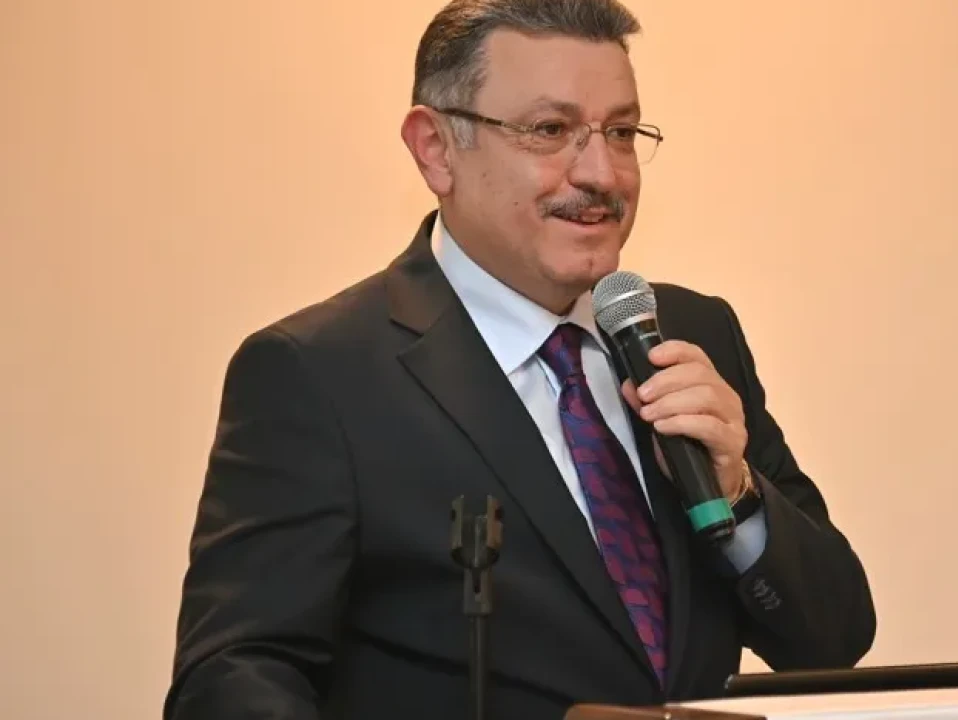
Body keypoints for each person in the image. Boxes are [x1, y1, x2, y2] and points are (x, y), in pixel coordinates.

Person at [163, 1, 876, 718]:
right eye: (550, 130)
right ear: (436, 150)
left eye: (621, 132)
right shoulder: (320, 375)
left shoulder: (691, 334)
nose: (602, 173)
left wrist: (737, 492)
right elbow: (232, 678)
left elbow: (833, 639)